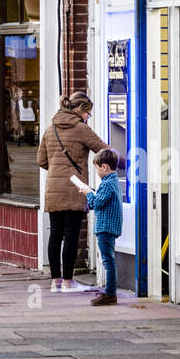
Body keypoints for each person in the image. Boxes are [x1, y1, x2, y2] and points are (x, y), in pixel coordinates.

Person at [37, 92, 115, 293]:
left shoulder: (50, 128)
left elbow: (41, 161)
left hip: (53, 189)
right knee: (71, 234)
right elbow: (104, 151)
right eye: (88, 113)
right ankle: (69, 282)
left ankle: (55, 282)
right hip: (75, 188)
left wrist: (57, 167)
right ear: (80, 110)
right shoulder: (81, 129)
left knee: (55, 234)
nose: (88, 117)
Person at [77, 147, 123, 306]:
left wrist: (87, 193)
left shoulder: (107, 184)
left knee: (108, 261)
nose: (96, 171)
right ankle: (110, 293)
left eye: (96, 168)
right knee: (109, 260)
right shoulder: (113, 182)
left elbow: (97, 203)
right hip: (110, 226)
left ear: (104, 167)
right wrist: (92, 191)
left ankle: (110, 294)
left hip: (105, 227)